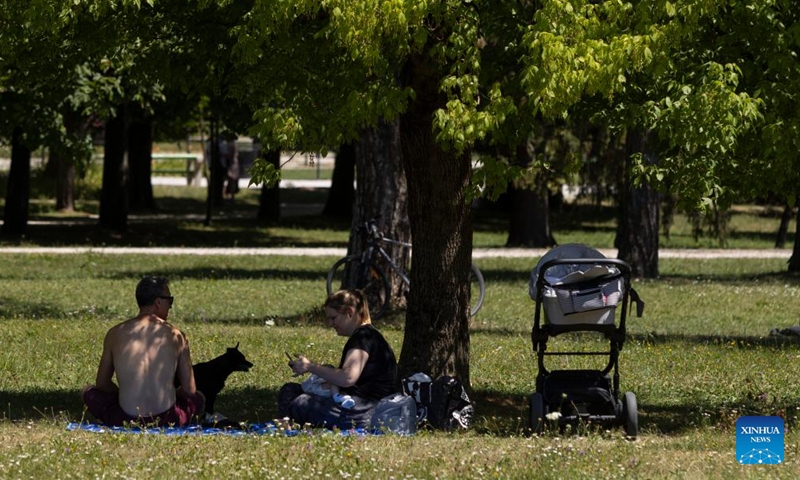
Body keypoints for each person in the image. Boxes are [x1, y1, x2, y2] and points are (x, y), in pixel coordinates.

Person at [81, 276, 204, 427]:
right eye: (169, 301)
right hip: (168, 420)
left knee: (87, 391)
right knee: (199, 398)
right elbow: (190, 390)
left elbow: (102, 383)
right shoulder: (177, 336)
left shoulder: (115, 333)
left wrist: (124, 394)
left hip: (124, 419)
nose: (170, 306)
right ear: (158, 302)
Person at [278, 289, 397, 429]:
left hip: (365, 411)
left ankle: (286, 425)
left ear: (350, 312)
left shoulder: (363, 337)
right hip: (358, 406)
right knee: (290, 390)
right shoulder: (366, 335)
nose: (330, 324)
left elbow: (347, 378)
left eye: (333, 318)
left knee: (302, 403)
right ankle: (285, 425)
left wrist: (310, 366)